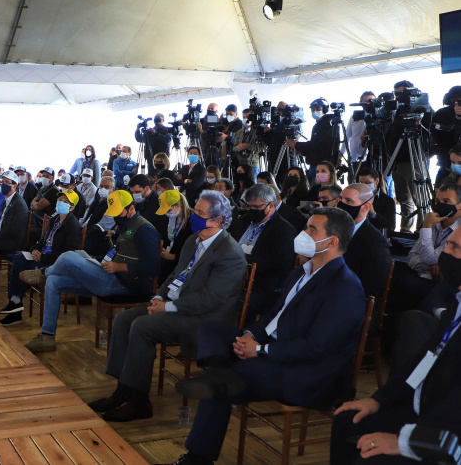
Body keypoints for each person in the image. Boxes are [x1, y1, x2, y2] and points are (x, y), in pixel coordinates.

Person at [161, 207, 365, 465]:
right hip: (272, 351)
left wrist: (259, 351)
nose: (303, 233)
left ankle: (197, 457)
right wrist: (249, 336)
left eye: (312, 230)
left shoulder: (344, 287)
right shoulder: (302, 271)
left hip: (306, 372)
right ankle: (218, 374)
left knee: (224, 383)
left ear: (333, 241)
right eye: (306, 227)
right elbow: (273, 316)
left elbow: (317, 347)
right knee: (210, 331)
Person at [89, 190, 246, 423]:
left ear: (217, 220)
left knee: (142, 326)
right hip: (176, 306)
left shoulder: (230, 253)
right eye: (195, 211)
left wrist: (169, 307)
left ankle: (139, 401)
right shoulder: (194, 240)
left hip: (203, 319)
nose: (195, 217)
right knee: (124, 319)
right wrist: (159, 297)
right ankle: (123, 390)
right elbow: (175, 274)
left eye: (200, 214)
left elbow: (210, 299)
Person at [329, 226, 461, 465]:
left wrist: (406, 442)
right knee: (348, 420)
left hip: (447, 434)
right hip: (423, 409)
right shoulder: (457, 302)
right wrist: (378, 399)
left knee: (369, 460)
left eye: (454, 247)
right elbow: (424, 358)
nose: (445, 253)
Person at [21, 189, 161, 353]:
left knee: (68, 257)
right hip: (110, 275)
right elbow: (119, 254)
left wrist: (119, 267)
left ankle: (42, 274)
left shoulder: (144, 229)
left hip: (127, 284)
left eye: (119, 212)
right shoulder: (125, 225)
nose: (116, 217)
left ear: (131, 208)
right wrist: (99, 261)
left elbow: (153, 267)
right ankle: (47, 336)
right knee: (54, 282)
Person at [0, 190, 82, 326]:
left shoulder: (73, 226)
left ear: (72, 207)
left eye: (65, 202)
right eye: (59, 200)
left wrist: (42, 256)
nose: (60, 203)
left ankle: (15, 310)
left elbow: (66, 255)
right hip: (42, 257)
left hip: (53, 263)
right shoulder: (55, 219)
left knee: (21, 268)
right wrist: (35, 249)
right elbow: (42, 240)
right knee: (19, 258)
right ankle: (15, 302)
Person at [227, 184, 297, 321]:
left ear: (271, 205)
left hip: (261, 284)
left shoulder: (284, 230)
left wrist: (245, 258)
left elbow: (281, 267)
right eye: (249, 206)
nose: (252, 210)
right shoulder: (245, 220)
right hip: (233, 275)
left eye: (257, 207)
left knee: (231, 301)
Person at [391, 183, 461, 314]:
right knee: (398, 276)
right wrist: (429, 267)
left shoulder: (457, 230)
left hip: (447, 285)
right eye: (437, 201)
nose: (440, 205)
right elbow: (412, 257)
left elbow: (428, 257)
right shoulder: (435, 223)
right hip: (424, 276)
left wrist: (427, 226)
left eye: (446, 201)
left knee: (404, 282)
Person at [387, 80, 433, 232]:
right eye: (396, 94)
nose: (398, 97)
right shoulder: (399, 110)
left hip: (413, 158)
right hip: (397, 159)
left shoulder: (423, 108)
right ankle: (405, 230)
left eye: (401, 93)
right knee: (403, 198)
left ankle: (422, 231)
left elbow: (429, 132)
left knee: (419, 198)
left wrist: (427, 153)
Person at [339, 183, 392, 309]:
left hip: (350, 303)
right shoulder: (333, 229)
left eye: (348, 201)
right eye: (340, 199)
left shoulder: (375, 242)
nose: (341, 204)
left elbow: (370, 288)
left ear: (366, 207)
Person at [288, 97, 338, 180]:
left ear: (324, 109)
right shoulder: (318, 125)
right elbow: (315, 146)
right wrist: (302, 152)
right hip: (314, 164)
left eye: (318, 109)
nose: (315, 111)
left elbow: (318, 145)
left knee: (317, 189)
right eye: (313, 109)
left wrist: (296, 144)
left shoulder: (328, 124)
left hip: (322, 165)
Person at [156, 190, 195, 275]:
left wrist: (174, 257)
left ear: (177, 205)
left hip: (183, 265)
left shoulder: (193, 220)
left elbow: (193, 248)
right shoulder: (170, 217)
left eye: (168, 210)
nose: (167, 213)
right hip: (168, 260)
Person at [431, 86, 461, 184]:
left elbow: (433, 139)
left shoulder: (440, 113)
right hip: (447, 162)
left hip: (445, 162)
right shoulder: (442, 114)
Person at [357, 166, 396, 235]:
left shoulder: (387, 201)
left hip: (377, 236)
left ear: (377, 181)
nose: (364, 186)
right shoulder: (355, 197)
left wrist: (373, 213)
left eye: (368, 183)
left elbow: (390, 225)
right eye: (361, 183)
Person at [343, 91, 376, 166]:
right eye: (366, 102)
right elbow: (347, 136)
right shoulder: (354, 117)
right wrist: (342, 153)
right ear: (360, 103)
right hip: (355, 157)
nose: (369, 104)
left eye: (371, 101)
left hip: (371, 157)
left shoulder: (379, 117)